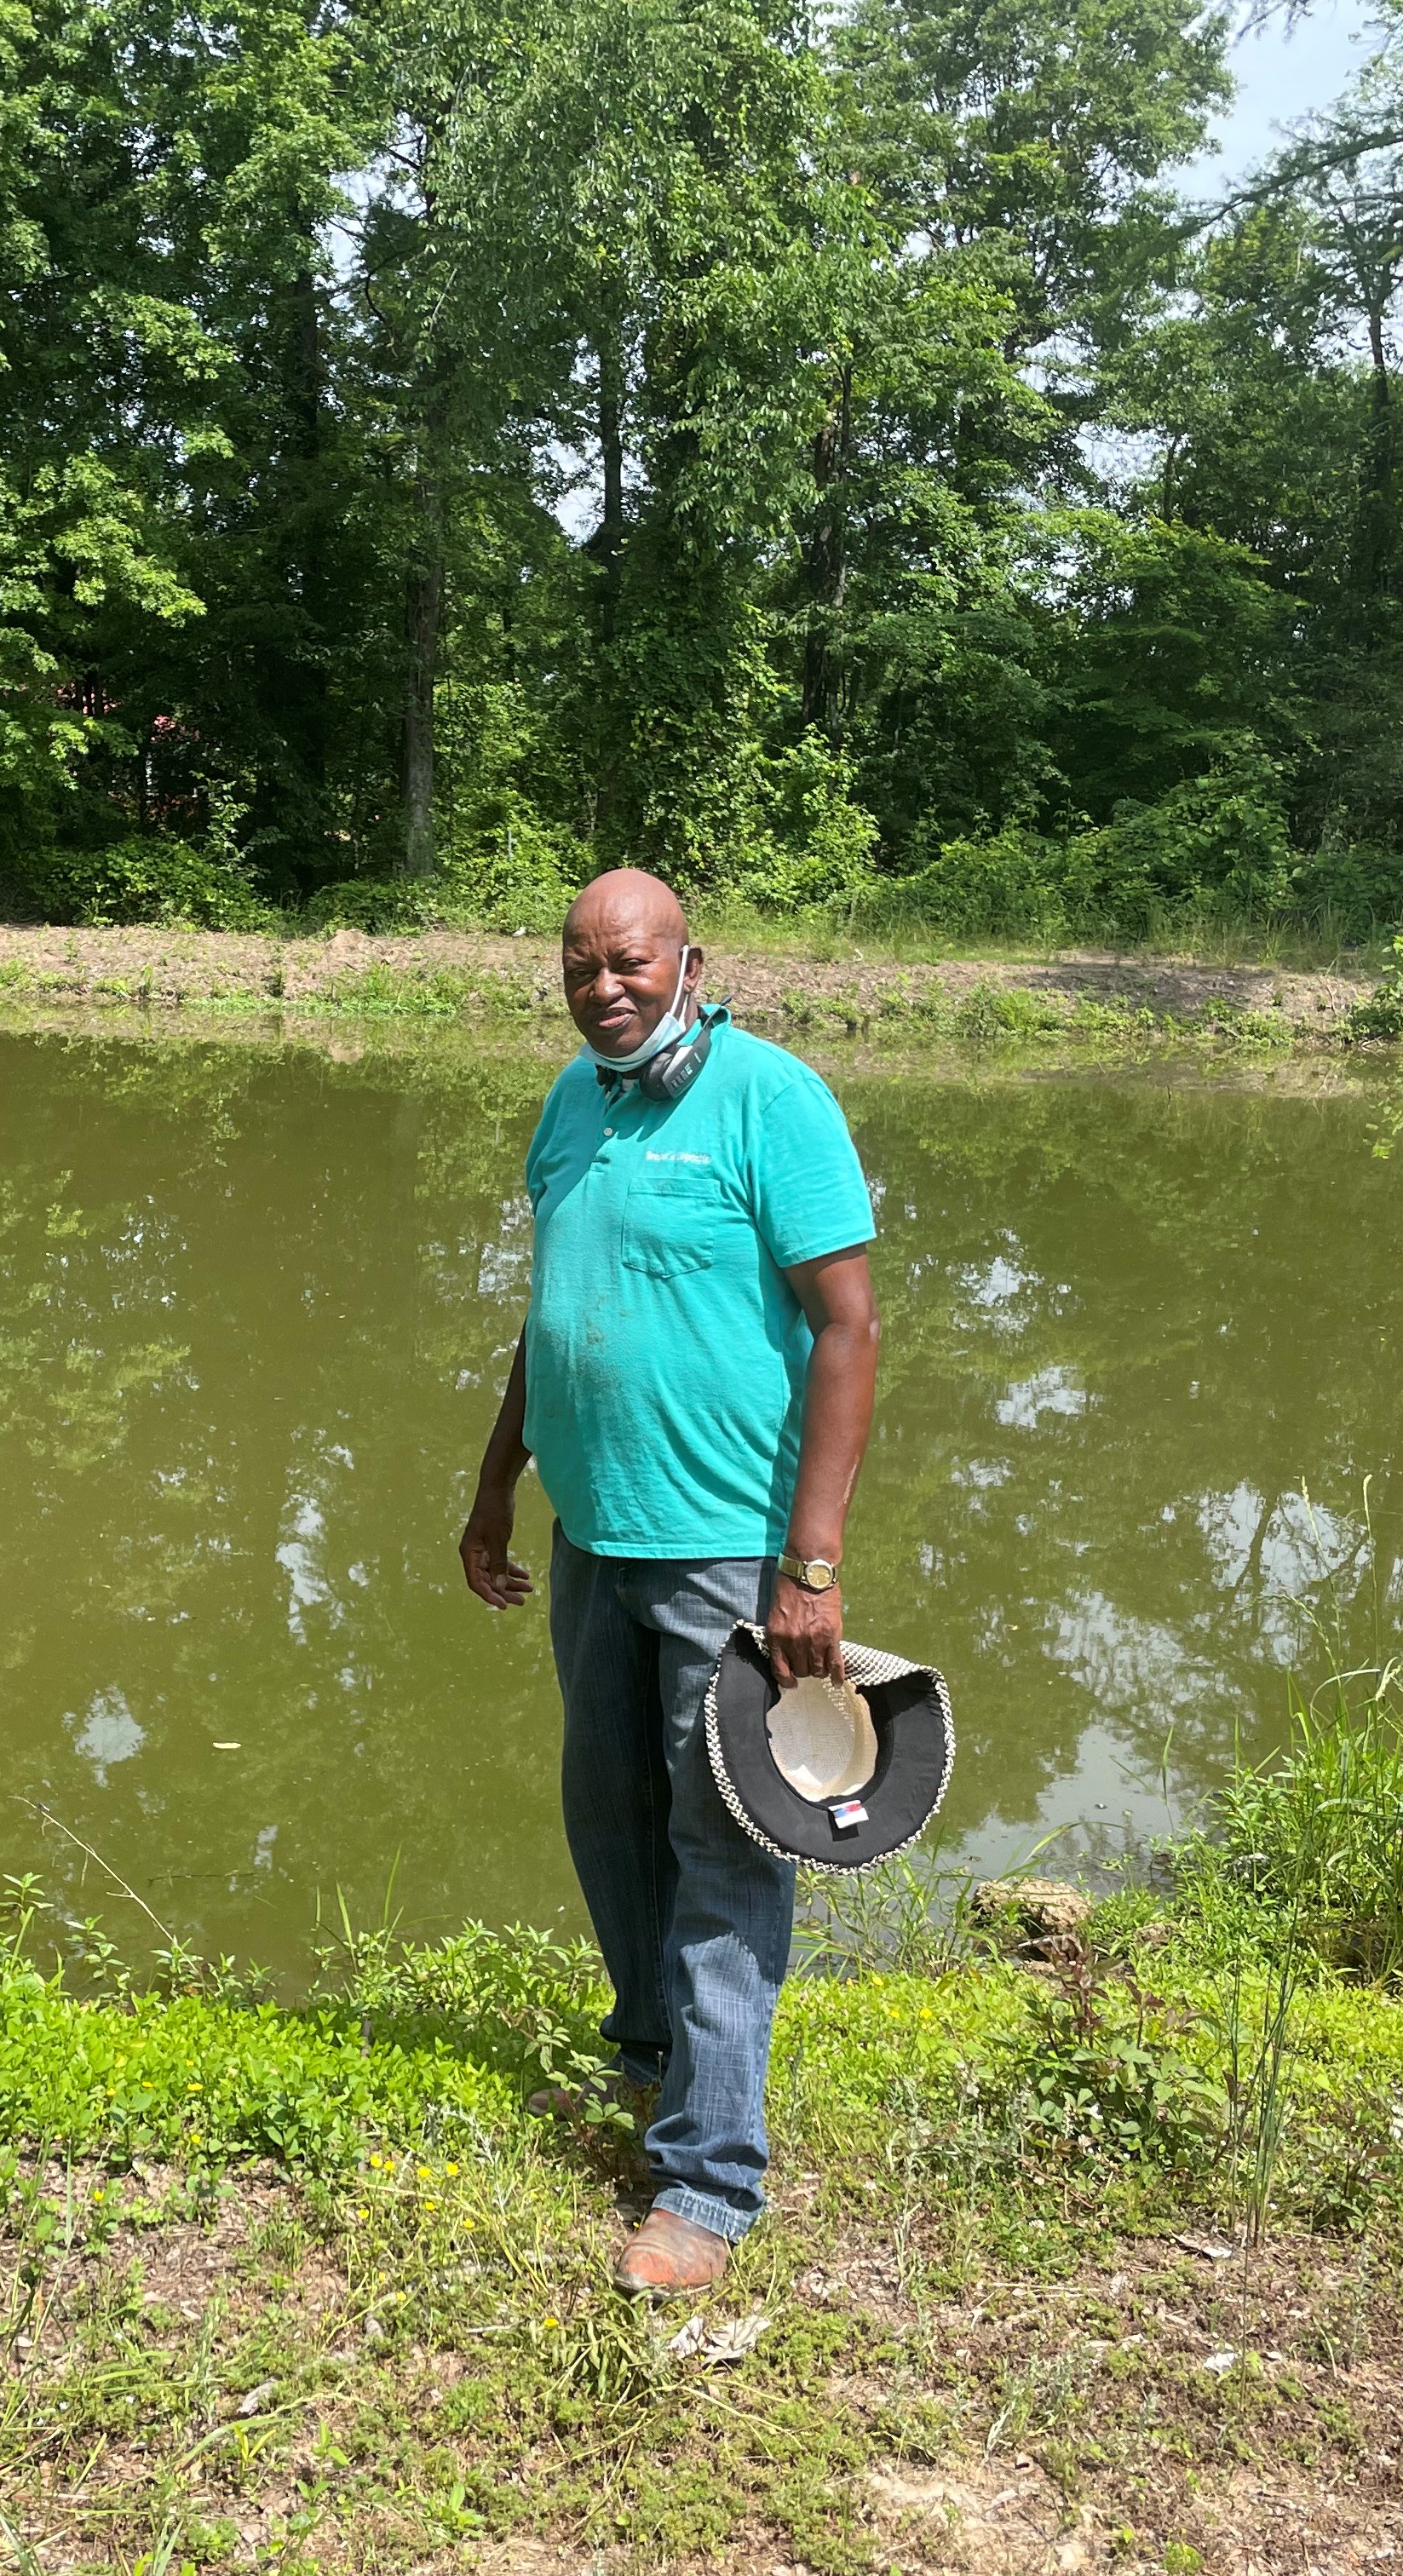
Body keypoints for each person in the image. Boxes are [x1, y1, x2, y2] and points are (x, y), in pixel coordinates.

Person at [457, 866, 881, 2295]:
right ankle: (651, 2060)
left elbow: (849, 1330)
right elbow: (553, 1315)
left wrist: (810, 1566)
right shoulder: (571, 1106)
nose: (604, 989)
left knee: (724, 1846)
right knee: (613, 1820)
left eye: (630, 963)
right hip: (595, 1534)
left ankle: (709, 2181)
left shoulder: (774, 1102)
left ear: (690, 963)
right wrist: (498, 1483)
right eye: (580, 967)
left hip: (727, 1552)